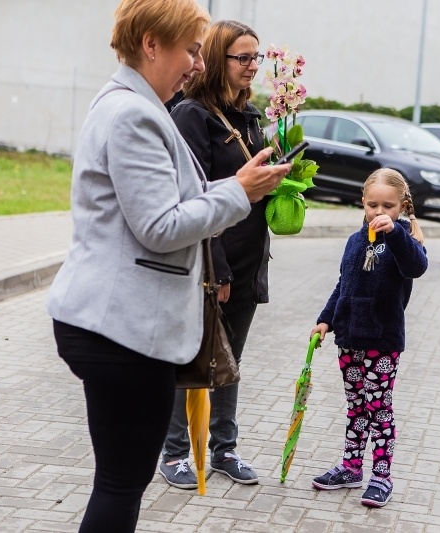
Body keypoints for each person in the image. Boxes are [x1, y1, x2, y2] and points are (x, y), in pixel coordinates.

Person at [46, 1, 290, 531]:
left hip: (115, 326)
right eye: (191, 50)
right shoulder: (133, 113)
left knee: (120, 482)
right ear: (151, 44)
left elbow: (177, 199)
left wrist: (231, 185)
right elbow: (159, 226)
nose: (198, 64)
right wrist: (239, 195)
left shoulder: (134, 105)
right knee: (120, 484)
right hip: (121, 330)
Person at [157, 20, 270, 489]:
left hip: (250, 258)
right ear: (218, 59)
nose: (251, 67)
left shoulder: (252, 116)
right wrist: (216, 266)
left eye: (255, 58)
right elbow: (194, 195)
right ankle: (175, 452)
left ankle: (225, 448)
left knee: (231, 360)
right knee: (194, 357)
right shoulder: (192, 115)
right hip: (211, 260)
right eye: (242, 58)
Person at [309, 168, 428, 507]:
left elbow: (416, 267)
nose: (379, 212)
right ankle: (350, 467)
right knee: (356, 407)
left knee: (379, 408)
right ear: (362, 203)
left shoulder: (404, 240)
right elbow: (343, 285)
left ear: (402, 206)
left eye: (388, 206)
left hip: (382, 342)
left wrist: (395, 234)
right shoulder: (354, 241)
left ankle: (381, 475)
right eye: (372, 205)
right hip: (349, 339)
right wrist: (326, 320)